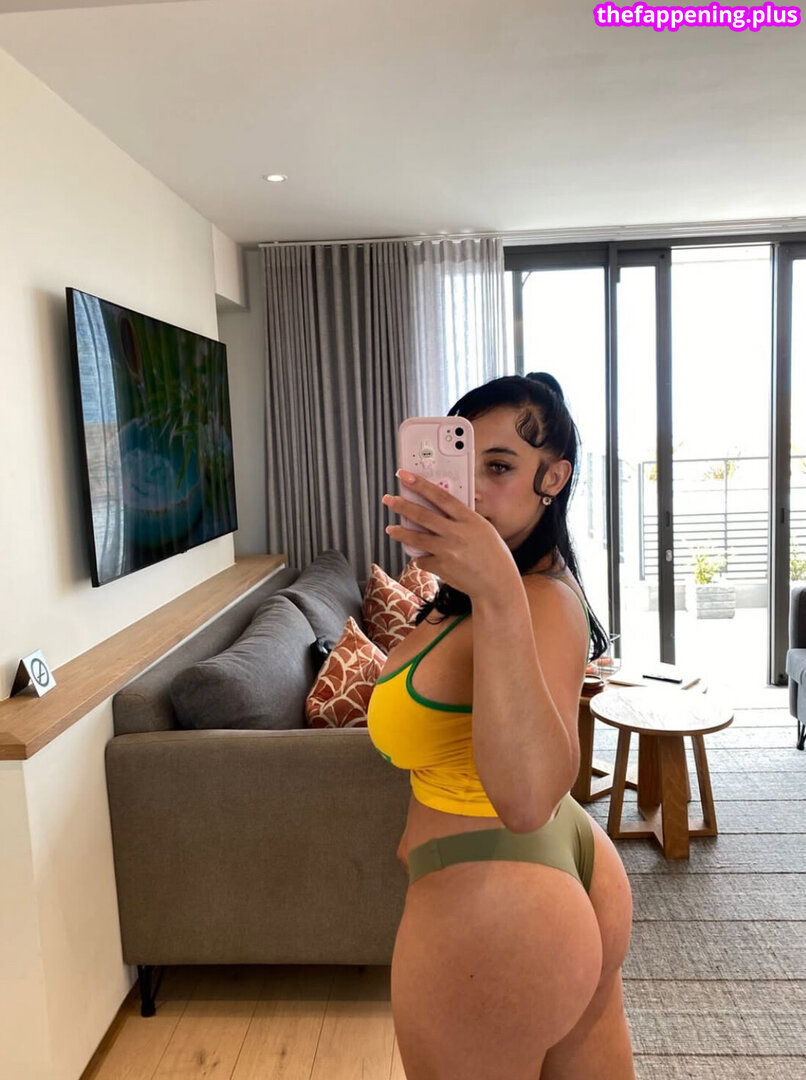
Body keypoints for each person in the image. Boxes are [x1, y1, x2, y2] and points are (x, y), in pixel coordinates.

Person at [366, 373, 635, 1080]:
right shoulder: (503, 587)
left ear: (554, 479)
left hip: (496, 904)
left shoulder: (533, 597)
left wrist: (496, 591)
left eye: (500, 467)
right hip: (553, 872)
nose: (476, 490)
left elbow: (524, 799)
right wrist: (480, 584)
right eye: (466, 465)